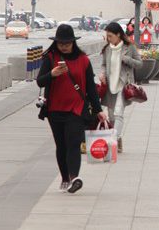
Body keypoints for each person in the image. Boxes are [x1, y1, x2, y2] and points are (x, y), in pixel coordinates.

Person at [37, 24, 107, 194]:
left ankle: (74, 177)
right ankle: (65, 178)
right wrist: (52, 74)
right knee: (61, 145)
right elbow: (40, 81)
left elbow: (90, 88)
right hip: (54, 109)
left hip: (76, 109)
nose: (64, 46)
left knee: (73, 143)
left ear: (73, 43)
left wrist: (98, 110)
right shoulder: (50, 58)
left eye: (67, 43)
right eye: (61, 43)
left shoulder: (83, 60)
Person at [99, 22, 142, 154]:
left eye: (110, 36)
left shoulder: (130, 47)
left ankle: (113, 140)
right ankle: (118, 139)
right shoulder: (107, 48)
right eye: (107, 36)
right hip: (109, 86)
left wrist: (127, 59)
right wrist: (102, 73)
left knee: (118, 113)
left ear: (118, 35)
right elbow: (103, 64)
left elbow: (139, 64)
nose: (108, 39)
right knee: (111, 116)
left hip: (123, 85)